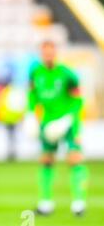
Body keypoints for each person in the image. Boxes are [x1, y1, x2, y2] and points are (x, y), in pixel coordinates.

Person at [26, 40, 88, 216]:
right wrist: (31, 114)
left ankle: (79, 203)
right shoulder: (35, 72)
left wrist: (74, 125)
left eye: (51, 52)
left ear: (56, 53)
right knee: (46, 159)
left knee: (75, 158)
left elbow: (78, 100)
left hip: (67, 122)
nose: (48, 56)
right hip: (48, 123)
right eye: (45, 53)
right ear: (41, 54)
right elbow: (32, 95)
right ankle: (46, 203)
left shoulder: (67, 74)